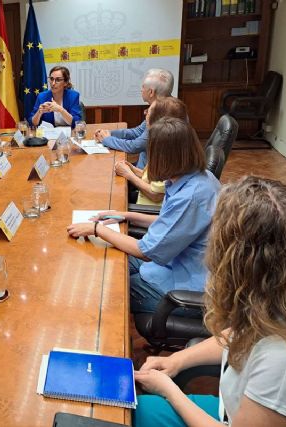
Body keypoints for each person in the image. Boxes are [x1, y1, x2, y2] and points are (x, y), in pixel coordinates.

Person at [133, 176, 286, 427]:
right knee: (128, 406)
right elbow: (242, 335)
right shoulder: (277, 300)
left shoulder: (283, 359)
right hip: (231, 409)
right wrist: (177, 360)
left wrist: (170, 392)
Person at [67, 118, 220, 314]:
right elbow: (170, 225)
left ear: (165, 157)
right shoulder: (197, 177)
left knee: (109, 285)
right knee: (109, 259)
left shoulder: (191, 197)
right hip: (177, 263)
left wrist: (97, 229)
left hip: (188, 291)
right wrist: (125, 215)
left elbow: (146, 251)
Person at [114, 97, 189, 206]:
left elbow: (156, 195)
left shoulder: (169, 151)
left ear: (158, 119)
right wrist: (133, 169)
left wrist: (128, 174)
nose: (145, 113)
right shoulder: (167, 142)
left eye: (148, 111)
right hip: (144, 198)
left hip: (148, 209)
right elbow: (155, 180)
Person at [95, 68, 174, 168]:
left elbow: (135, 146)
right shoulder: (165, 106)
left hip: (150, 176)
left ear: (151, 92)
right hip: (143, 168)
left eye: (143, 86)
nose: (141, 89)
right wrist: (109, 133)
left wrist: (107, 139)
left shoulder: (165, 113)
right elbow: (137, 132)